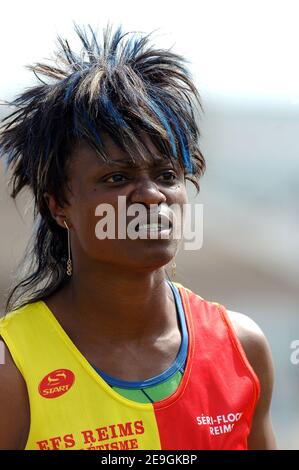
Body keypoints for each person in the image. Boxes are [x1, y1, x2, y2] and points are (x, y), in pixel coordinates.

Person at [0, 24, 277, 450]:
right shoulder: (13, 367)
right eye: (117, 177)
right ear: (58, 204)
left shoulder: (242, 348)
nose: (150, 196)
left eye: (167, 175)